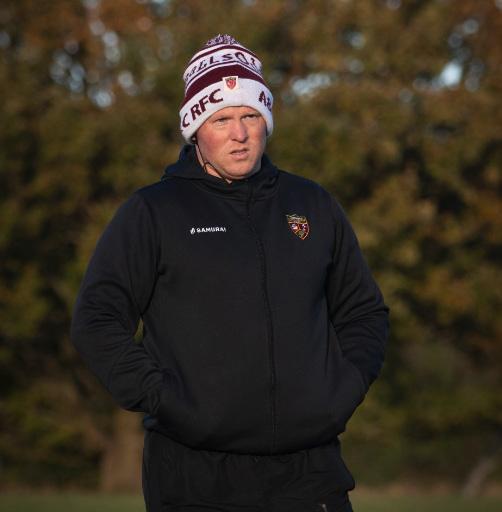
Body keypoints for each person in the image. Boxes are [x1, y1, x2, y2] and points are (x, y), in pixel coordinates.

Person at [72, 34, 389, 512]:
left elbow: (364, 312)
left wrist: (340, 392)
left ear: (266, 121)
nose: (239, 134)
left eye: (250, 116)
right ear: (196, 128)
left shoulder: (312, 204)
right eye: (221, 119)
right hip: (194, 476)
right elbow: (96, 320)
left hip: (309, 471)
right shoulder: (153, 212)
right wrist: (167, 400)